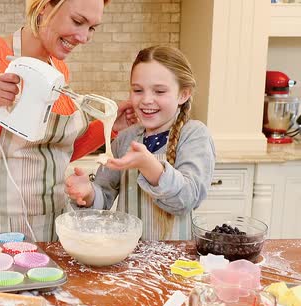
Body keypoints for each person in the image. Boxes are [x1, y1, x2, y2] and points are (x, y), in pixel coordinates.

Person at [0, 0, 136, 241]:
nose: (83, 37)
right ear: (43, 7)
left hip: (53, 226)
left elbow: (53, 152)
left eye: (92, 28)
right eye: (78, 21)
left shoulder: (58, 69)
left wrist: (112, 127)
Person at [65, 45, 216, 240]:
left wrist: (148, 165)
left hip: (175, 261)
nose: (146, 100)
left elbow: (187, 199)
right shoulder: (126, 138)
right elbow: (104, 198)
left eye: (159, 91)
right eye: (137, 90)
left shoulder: (194, 135)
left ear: (183, 94)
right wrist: (88, 194)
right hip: (127, 255)